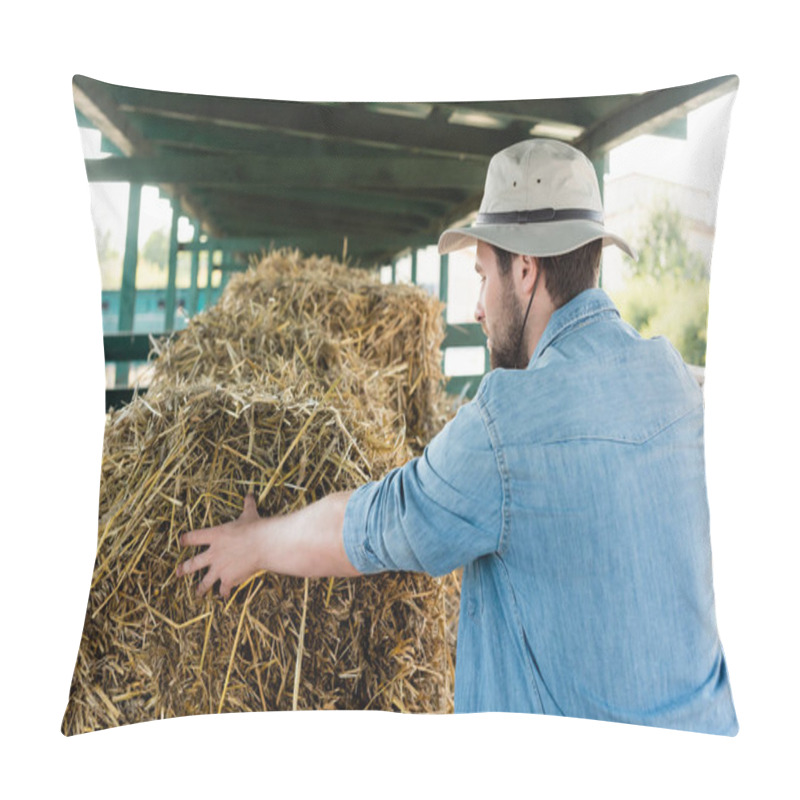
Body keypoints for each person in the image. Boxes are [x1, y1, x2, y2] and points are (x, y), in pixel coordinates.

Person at [176, 139, 738, 735]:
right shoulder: (678, 382)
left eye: (481, 274)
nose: (476, 307)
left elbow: (374, 526)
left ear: (525, 269)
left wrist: (255, 544)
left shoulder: (506, 424)